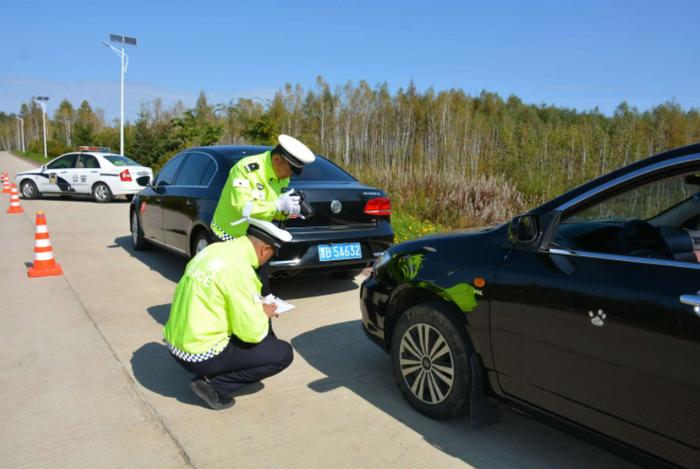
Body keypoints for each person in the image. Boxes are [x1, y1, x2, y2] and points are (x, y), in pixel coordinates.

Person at [163, 217, 294, 410]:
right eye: (271, 254)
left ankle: (214, 373)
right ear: (264, 249)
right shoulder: (240, 270)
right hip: (198, 354)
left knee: (257, 330)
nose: (269, 259)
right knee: (282, 353)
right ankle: (213, 386)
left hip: (175, 342)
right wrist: (263, 313)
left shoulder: (214, 250)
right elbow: (251, 333)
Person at [210, 135, 315, 295]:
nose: (289, 176)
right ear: (278, 159)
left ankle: (260, 316)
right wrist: (277, 205)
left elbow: (273, 212)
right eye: (289, 171)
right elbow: (242, 208)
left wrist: (289, 211)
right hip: (230, 236)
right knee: (230, 289)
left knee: (259, 289)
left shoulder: (282, 178)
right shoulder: (246, 169)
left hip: (258, 241)